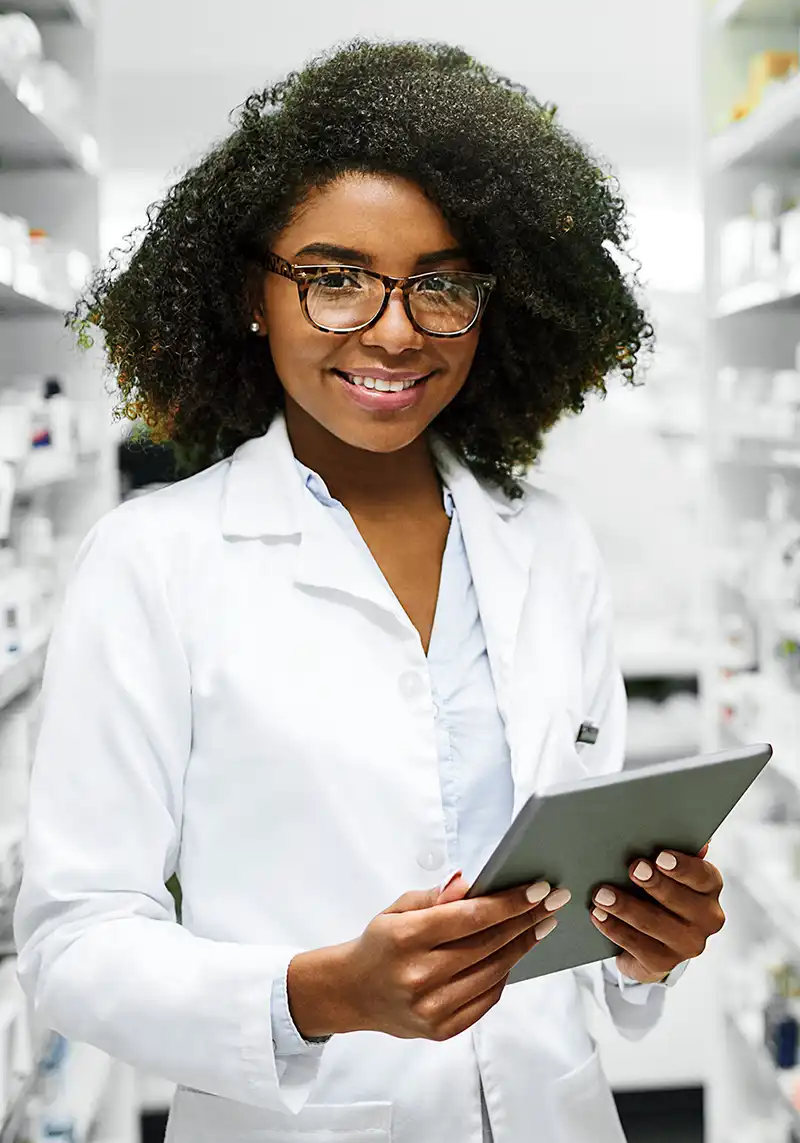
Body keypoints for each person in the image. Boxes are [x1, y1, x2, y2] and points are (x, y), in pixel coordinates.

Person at [13, 39, 726, 1143]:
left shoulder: (548, 544)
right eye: (334, 277)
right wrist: (322, 995)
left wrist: (645, 942)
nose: (394, 330)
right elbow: (71, 944)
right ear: (253, 294)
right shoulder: (152, 559)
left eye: (440, 284)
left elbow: (578, 908)